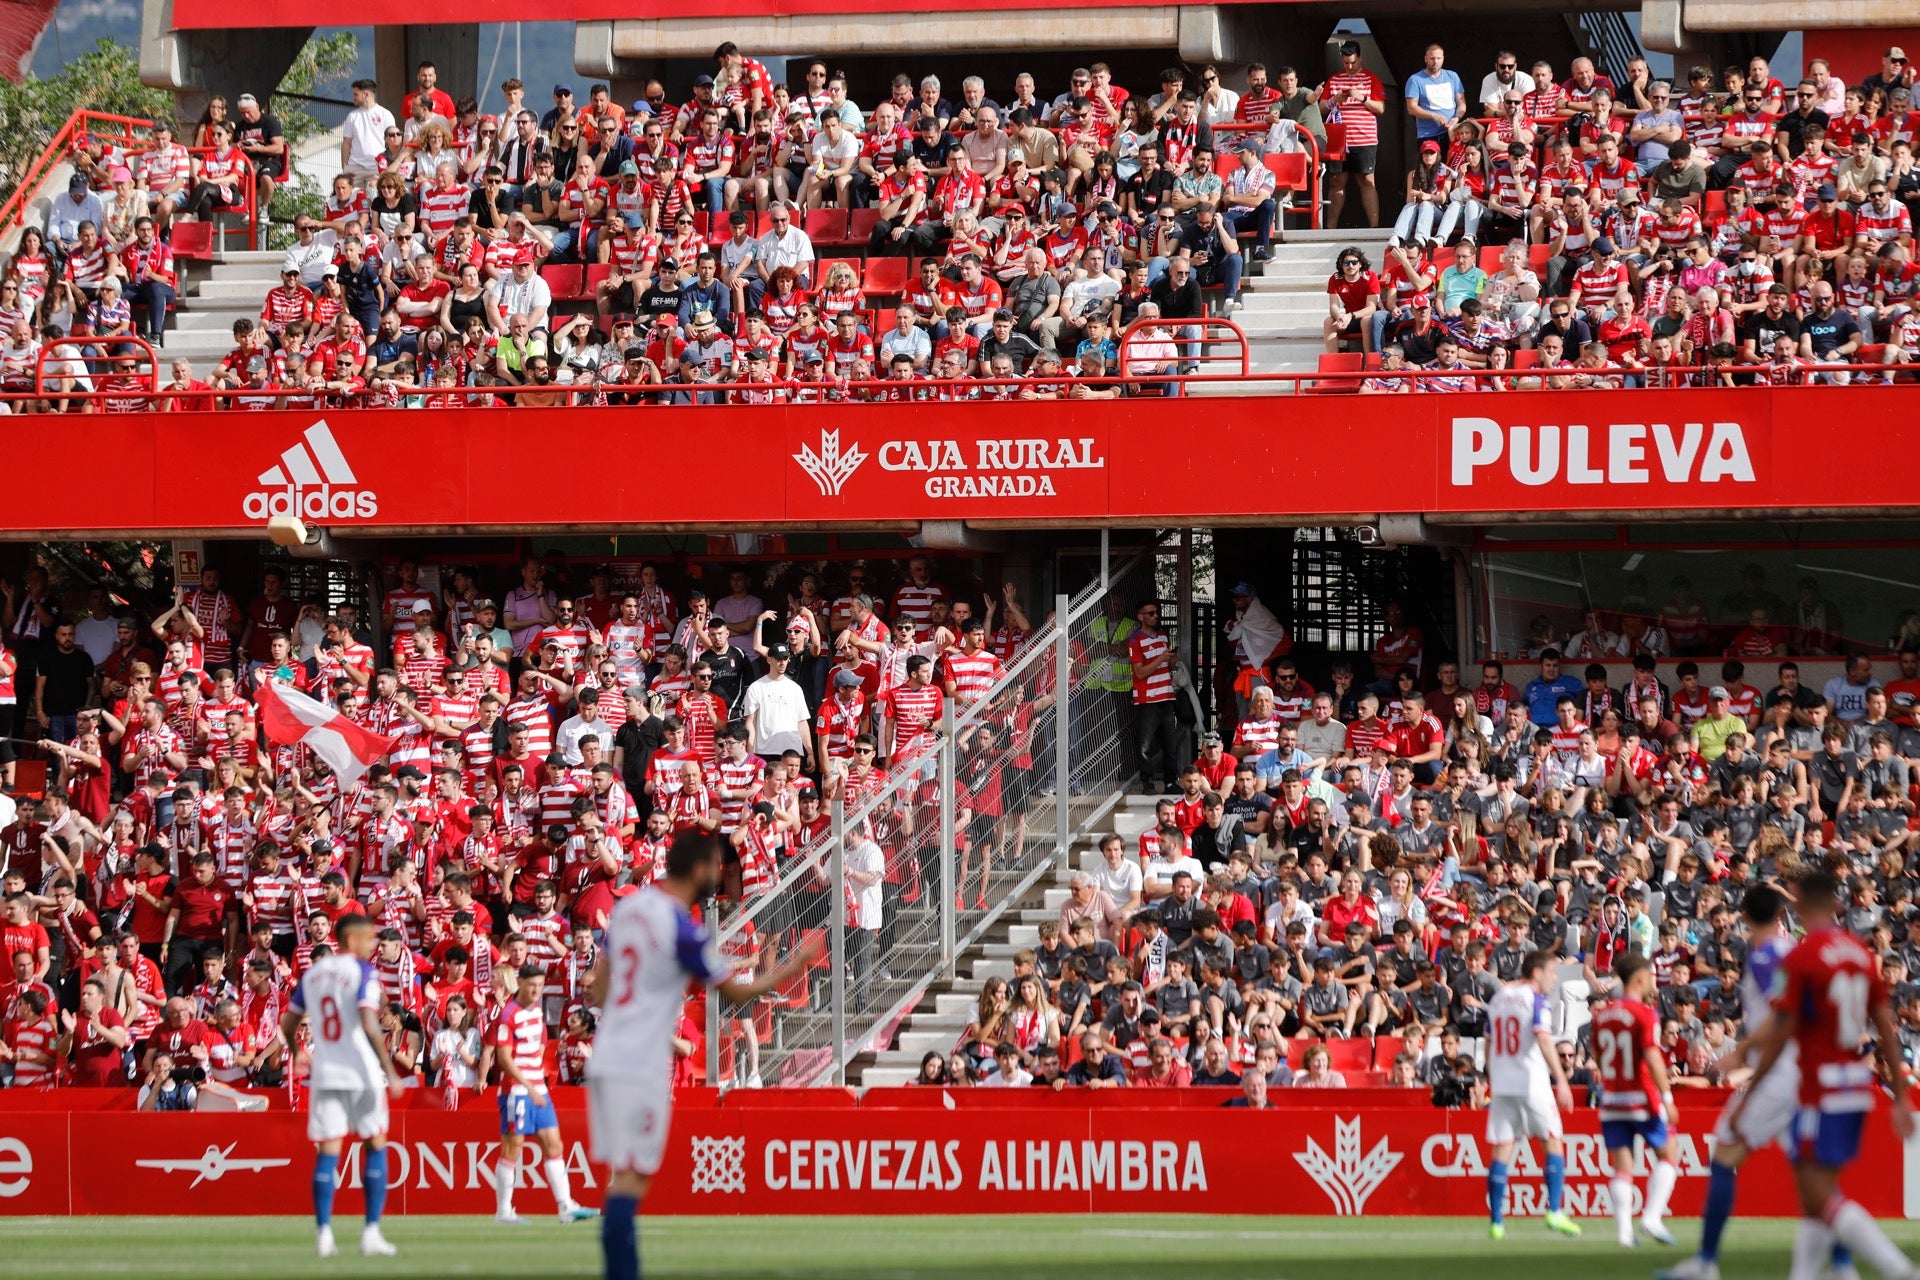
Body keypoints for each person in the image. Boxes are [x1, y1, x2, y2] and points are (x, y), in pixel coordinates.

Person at [588, 832, 820, 1280]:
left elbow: (598, 987)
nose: (719, 874)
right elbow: (733, 990)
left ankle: (621, 1269)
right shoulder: (681, 928)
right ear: (697, 870)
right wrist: (791, 967)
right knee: (630, 1184)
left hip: (609, 1051)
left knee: (621, 1180)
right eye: (714, 866)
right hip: (641, 1060)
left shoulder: (631, 909)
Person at [1657, 884, 1852, 1280]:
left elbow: (1783, 1016)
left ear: (1745, 916)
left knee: (1725, 1156)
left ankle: (1706, 1262)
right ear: (1781, 917)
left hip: (1779, 1075)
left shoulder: (1764, 958)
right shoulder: (1790, 952)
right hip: (1802, 1071)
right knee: (1812, 1174)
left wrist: (1741, 1053)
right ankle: (1844, 1266)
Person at [1733, 871, 1915, 1280]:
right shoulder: (1858, 953)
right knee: (1818, 1195)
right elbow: (1885, 1025)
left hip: (1821, 1086)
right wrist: (1900, 1095)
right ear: (1835, 905)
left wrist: (1751, 1087)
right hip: (1856, 1085)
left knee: (1816, 1193)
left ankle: (1898, 1269)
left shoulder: (1800, 957)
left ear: (1797, 907)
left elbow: (1781, 1028)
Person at [279, 915, 404, 1259]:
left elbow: (288, 1021)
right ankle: (371, 1233)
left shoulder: (314, 974)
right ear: (351, 939)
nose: (373, 943)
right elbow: (368, 1020)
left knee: (328, 1152)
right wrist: (389, 1069)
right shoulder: (363, 972)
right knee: (376, 1144)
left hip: (326, 1073)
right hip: (361, 1072)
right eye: (368, 937)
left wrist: (296, 1052)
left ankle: (323, 1235)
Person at [1484, 949, 1582, 1240]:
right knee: (1552, 1141)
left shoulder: (1499, 998)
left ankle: (1496, 1221)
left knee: (1502, 1148)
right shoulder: (1536, 1000)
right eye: (1552, 973)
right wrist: (1562, 1080)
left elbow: (1489, 1043)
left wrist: (1493, 1076)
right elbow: (1542, 1036)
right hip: (1532, 1081)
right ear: (1537, 973)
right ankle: (1554, 1210)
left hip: (1503, 1083)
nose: (1554, 979)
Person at [492, 963, 599, 1225]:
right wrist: (528, 1087)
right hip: (517, 1091)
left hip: (538, 1090)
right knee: (512, 1148)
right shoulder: (509, 1015)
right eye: (532, 986)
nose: (537, 991)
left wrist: (537, 1085)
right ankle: (504, 1211)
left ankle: (566, 1207)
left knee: (555, 1145)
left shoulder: (535, 1012)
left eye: (540, 986)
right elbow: (504, 1059)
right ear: (520, 983)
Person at [1594, 953, 1680, 1248]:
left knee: (1622, 1166)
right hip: (1641, 1097)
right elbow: (1653, 1056)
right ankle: (1652, 1217)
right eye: (1651, 976)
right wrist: (1666, 1096)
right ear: (1641, 979)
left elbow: (1597, 1056)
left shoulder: (1601, 1015)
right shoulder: (1645, 1014)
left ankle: (1623, 1234)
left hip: (1612, 1098)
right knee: (1669, 1152)